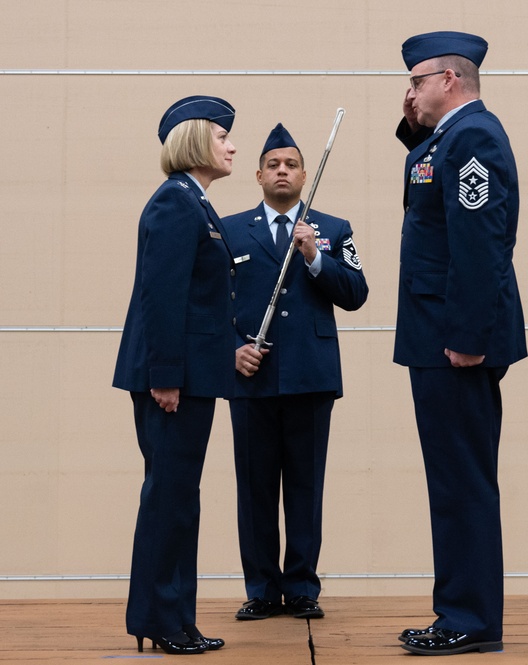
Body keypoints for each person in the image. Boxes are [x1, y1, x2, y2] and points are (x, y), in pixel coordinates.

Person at [392, 31, 527, 656]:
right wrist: (416, 129)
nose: (409, 92)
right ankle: (459, 612)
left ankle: (469, 619)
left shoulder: (472, 137)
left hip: (455, 340)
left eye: (417, 82)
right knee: (450, 481)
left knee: (463, 481)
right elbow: (432, 193)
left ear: (450, 80)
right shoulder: (449, 138)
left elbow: (480, 243)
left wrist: (469, 336)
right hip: (438, 335)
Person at [222, 123, 368, 621]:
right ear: (258, 174)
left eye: (291, 165)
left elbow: (356, 293)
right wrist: (230, 350)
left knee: (305, 486)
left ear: (305, 175)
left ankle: (302, 587)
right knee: (255, 487)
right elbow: (207, 304)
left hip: (311, 376)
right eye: (273, 165)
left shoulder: (333, 228)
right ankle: (261, 589)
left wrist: (315, 256)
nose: (282, 171)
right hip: (251, 378)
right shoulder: (227, 228)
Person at [112, 95, 238, 655]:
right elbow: (161, 299)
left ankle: (176, 618)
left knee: (181, 499)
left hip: (191, 376)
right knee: (169, 498)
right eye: (222, 136)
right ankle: (159, 620)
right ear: (193, 142)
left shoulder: (195, 203)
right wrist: (166, 376)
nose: (233, 145)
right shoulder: (176, 204)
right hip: (172, 380)